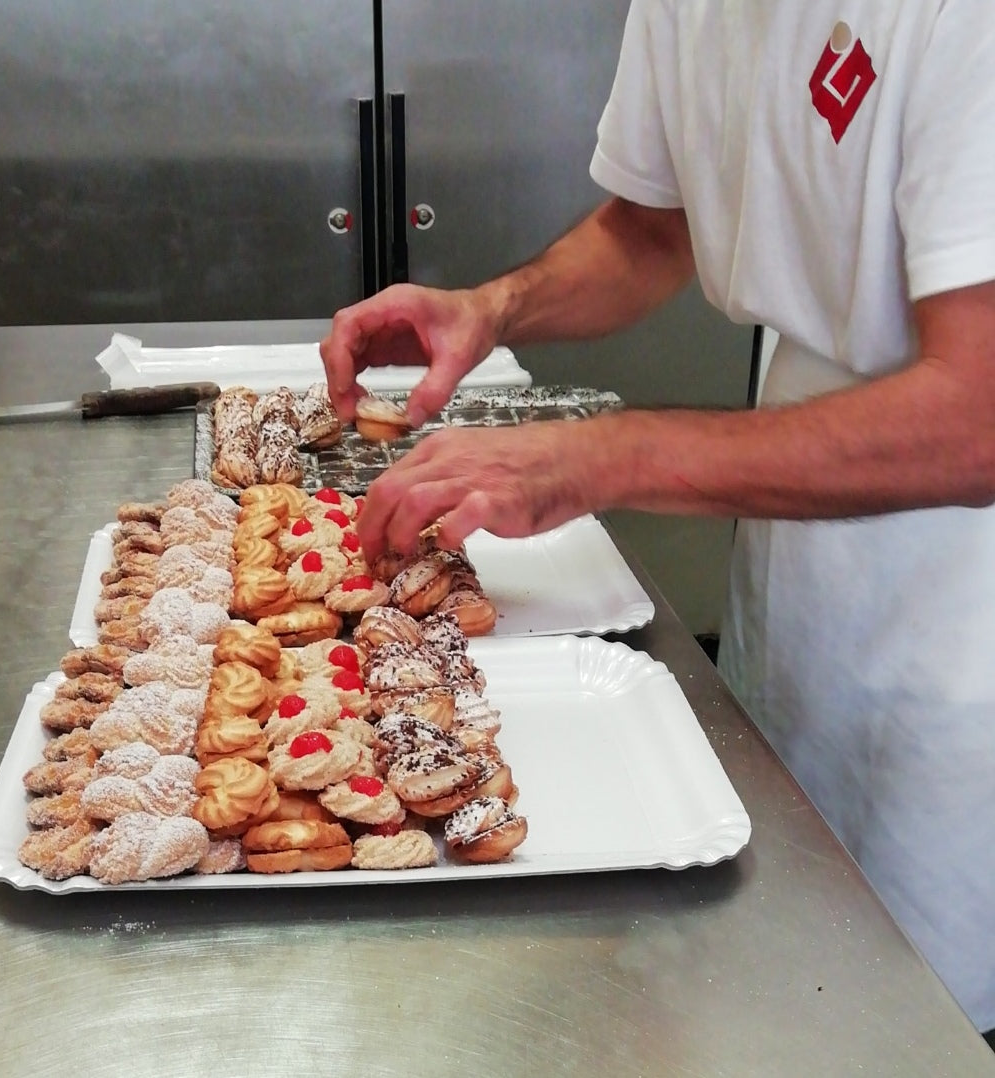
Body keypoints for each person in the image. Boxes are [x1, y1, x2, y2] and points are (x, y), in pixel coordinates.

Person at [319, 0, 995, 1036]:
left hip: (960, 609)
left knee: (919, 1013)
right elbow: (648, 232)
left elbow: (976, 417)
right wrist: (490, 309)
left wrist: (609, 453)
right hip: (800, 552)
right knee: (791, 967)